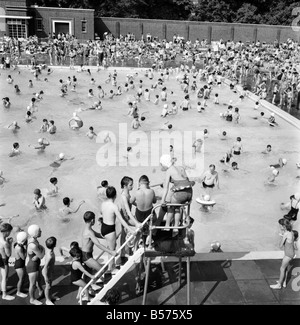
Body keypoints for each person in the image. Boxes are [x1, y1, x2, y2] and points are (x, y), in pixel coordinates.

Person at [101, 187, 137, 271]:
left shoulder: (103, 204)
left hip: (103, 227)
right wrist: (130, 229)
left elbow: (101, 212)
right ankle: (111, 268)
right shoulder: (114, 206)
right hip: (110, 230)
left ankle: (111, 266)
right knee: (112, 250)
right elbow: (121, 220)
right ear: (115, 195)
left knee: (110, 247)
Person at [160, 154, 194, 232]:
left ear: (165, 163)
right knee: (177, 207)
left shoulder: (169, 171)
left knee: (171, 207)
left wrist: (162, 200)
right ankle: (176, 226)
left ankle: (167, 226)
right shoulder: (180, 167)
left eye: (161, 164)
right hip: (189, 192)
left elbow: (166, 188)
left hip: (180, 194)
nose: (161, 166)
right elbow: (184, 180)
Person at [270, 219, 298, 289]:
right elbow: (290, 240)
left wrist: (281, 237)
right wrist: (284, 236)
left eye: (280, 225)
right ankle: (284, 282)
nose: (279, 227)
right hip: (291, 253)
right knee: (284, 268)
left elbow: (280, 245)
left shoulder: (286, 234)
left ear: (284, 226)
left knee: (282, 268)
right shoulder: (290, 232)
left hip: (288, 254)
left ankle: (279, 285)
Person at [27, 224, 45, 305]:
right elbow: (41, 256)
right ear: (35, 233)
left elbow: (39, 251)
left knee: (39, 280)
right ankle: (32, 299)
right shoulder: (33, 245)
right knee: (33, 284)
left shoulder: (32, 239)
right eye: (39, 231)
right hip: (32, 266)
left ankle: (41, 291)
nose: (41, 231)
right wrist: (43, 249)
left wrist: (40, 251)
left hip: (36, 264)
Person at [0, 223, 15, 300]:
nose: (10, 233)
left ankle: (2, 289)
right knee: (4, 277)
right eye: (9, 231)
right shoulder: (4, 243)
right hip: (3, 260)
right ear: (7, 232)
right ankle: (4, 295)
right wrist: (10, 244)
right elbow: (8, 255)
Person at [42, 236, 57, 305]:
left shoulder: (49, 250)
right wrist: (46, 277)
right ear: (55, 245)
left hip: (50, 272)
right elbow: (44, 268)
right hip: (47, 273)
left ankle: (50, 296)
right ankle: (47, 300)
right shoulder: (50, 256)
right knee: (47, 287)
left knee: (50, 285)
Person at [13, 231, 28, 298]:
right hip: (19, 265)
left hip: (20, 264)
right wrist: (26, 249)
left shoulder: (17, 244)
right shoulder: (19, 248)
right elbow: (24, 257)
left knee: (23, 277)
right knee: (21, 279)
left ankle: (21, 289)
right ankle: (18, 292)